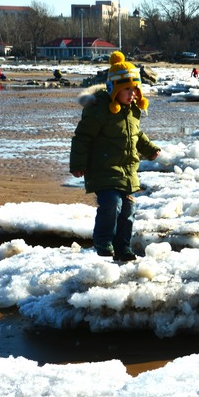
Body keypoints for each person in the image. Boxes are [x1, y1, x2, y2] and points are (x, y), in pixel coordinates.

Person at [69, 51, 161, 262]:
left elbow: (137, 135)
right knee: (111, 204)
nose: (131, 94)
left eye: (134, 89)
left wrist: (150, 149)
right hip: (103, 169)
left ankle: (123, 248)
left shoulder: (133, 110)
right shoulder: (99, 110)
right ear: (114, 89)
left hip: (128, 171)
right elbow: (82, 138)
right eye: (126, 89)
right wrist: (78, 164)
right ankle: (102, 240)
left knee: (128, 210)